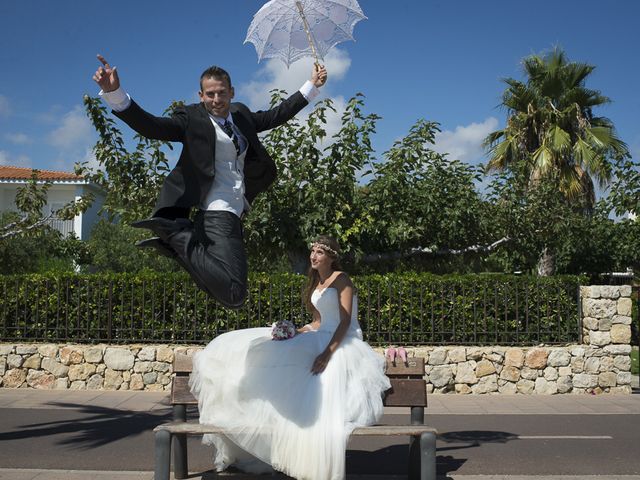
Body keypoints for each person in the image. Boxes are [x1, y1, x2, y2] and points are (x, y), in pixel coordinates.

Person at [92, 55, 328, 308]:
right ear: (201, 95)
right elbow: (152, 127)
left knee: (226, 294)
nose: (216, 100)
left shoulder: (241, 115)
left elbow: (275, 115)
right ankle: (176, 235)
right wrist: (115, 93)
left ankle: (175, 244)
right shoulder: (192, 119)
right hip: (217, 211)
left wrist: (312, 86)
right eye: (210, 94)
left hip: (235, 211)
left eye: (222, 93)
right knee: (235, 294)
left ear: (231, 92)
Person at [189, 236, 391, 479]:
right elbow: (318, 321)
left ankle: (311, 452)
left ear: (331, 257)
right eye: (313, 251)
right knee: (268, 347)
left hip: (342, 340)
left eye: (320, 252)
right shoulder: (318, 283)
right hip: (321, 334)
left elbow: (345, 321)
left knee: (310, 376)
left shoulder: (342, 280)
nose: (314, 256)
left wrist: (327, 354)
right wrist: (297, 331)